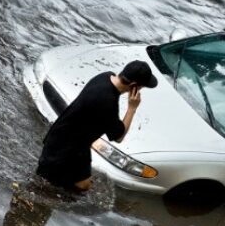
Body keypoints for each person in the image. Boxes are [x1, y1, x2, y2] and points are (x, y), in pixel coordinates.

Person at [36, 60, 157, 191]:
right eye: (141, 87)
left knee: (83, 185)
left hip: (72, 141)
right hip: (63, 150)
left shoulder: (105, 76)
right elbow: (119, 137)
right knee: (44, 187)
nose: (140, 90)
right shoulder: (107, 103)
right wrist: (132, 108)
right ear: (134, 85)